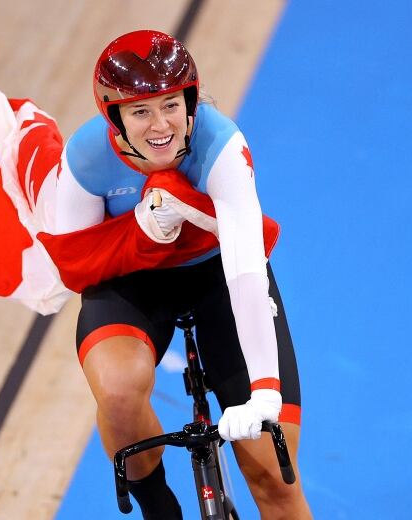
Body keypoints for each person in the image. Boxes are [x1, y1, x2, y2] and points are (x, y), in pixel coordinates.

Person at [53, 30, 312, 519]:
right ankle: (160, 509)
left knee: (275, 480)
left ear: (190, 101)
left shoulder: (222, 146)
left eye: (171, 104)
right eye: (141, 111)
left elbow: (245, 267)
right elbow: (73, 265)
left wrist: (264, 393)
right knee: (118, 389)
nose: (160, 126)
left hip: (217, 275)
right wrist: (139, 233)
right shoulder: (84, 158)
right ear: (114, 119)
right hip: (133, 280)